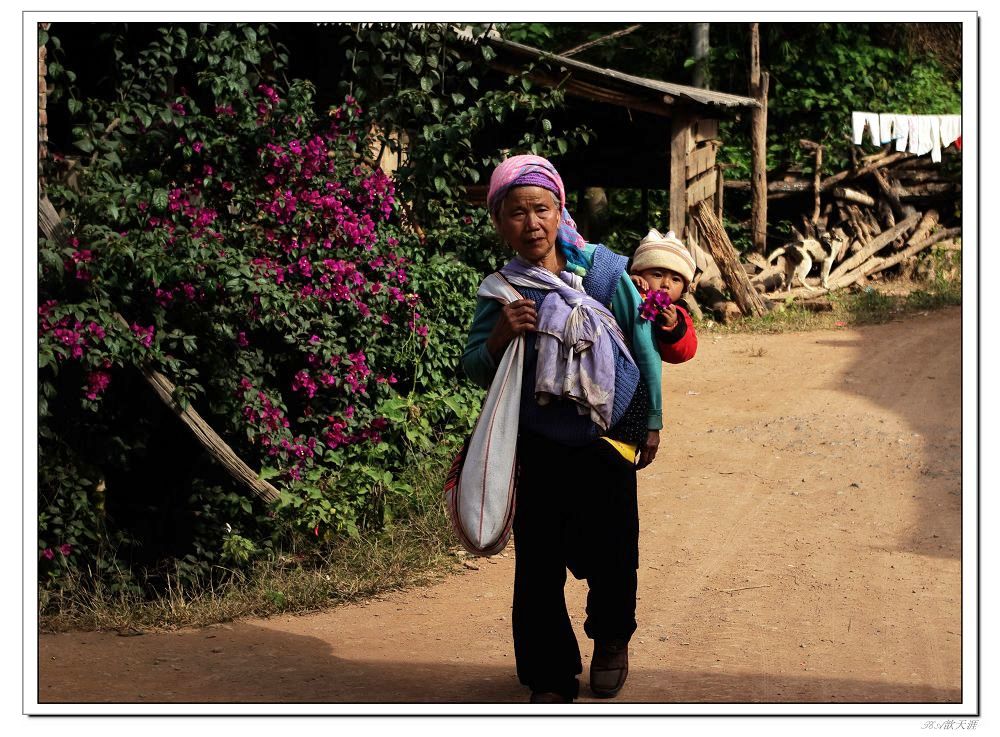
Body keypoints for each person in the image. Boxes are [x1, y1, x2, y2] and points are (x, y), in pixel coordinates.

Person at [462, 154, 663, 703]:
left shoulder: (602, 273)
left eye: (542, 209)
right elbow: (475, 365)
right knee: (539, 563)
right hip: (539, 444)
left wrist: (652, 419)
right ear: (499, 222)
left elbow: (642, 344)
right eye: (517, 213)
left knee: (615, 549)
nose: (532, 224)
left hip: (608, 435)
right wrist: (501, 336)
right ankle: (550, 674)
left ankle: (612, 639)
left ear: (560, 210)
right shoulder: (501, 291)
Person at [629, 229, 698, 365]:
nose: (665, 284)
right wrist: (626, 284)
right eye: (657, 275)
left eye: (675, 279)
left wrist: (672, 327)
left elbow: (686, 352)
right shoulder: (630, 291)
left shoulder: (678, 313)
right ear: (639, 273)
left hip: (644, 372)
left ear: (683, 289)